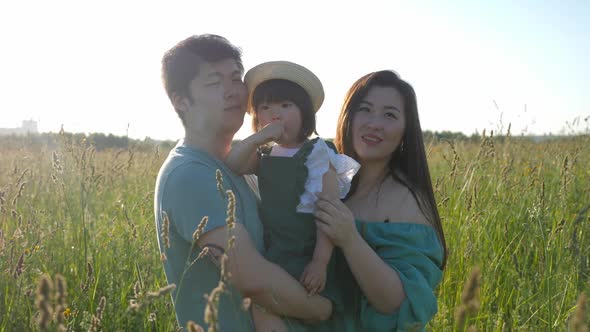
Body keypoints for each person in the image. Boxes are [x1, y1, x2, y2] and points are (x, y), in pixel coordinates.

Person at [154, 35, 332, 331]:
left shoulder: (250, 163)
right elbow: (254, 278)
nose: (232, 92)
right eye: (213, 82)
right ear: (181, 101)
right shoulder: (189, 173)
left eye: (236, 78)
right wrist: (327, 310)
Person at [225, 61, 360, 330]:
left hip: (309, 254)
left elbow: (328, 212)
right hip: (276, 254)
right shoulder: (264, 155)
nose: (275, 114)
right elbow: (233, 165)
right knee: (264, 310)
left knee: (310, 313)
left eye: (286, 106)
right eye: (264, 108)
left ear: (305, 113)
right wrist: (255, 140)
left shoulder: (317, 156)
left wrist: (320, 262)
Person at [313, 70, 448, 331]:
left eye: (389, 115)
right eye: (365, 109)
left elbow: (394, 302)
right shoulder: (325, 177)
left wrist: (349, 239)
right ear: (348, 117)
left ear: (405, 130)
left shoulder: (407, 201)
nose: (374, 123)